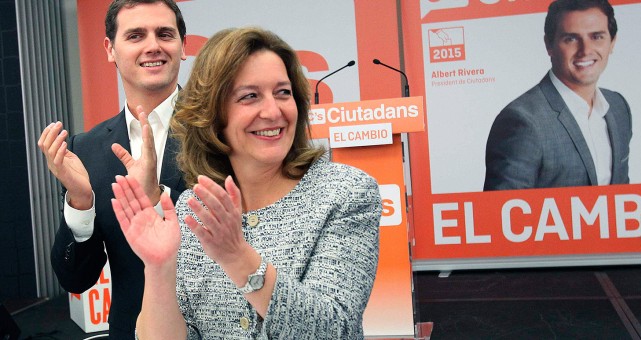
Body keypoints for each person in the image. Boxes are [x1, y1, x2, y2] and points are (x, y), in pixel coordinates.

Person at [110, 27, 382, 339]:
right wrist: (158, 269)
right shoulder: (193, 208)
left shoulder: (344, 193)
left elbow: (334, 330)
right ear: (213, 114)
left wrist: (237, 256)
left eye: (283, 92)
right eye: (249, 96)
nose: (273, 111)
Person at [37, 0, 187, 337]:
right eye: (135, 35)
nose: (153, 46)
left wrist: (156, 200)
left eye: (165, 34)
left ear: (182, 46)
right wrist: (81, 202)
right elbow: (75, 278)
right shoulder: (85, 149)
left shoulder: (225, 130)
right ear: (110, 49)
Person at [483, 0, 632, 191]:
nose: (585, 50)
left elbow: (624, 197)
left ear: (612, 42)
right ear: (549, 45)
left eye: (597, 37)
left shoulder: (618, 107)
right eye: (571, 39)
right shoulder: (522, 121)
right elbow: (503, 213)